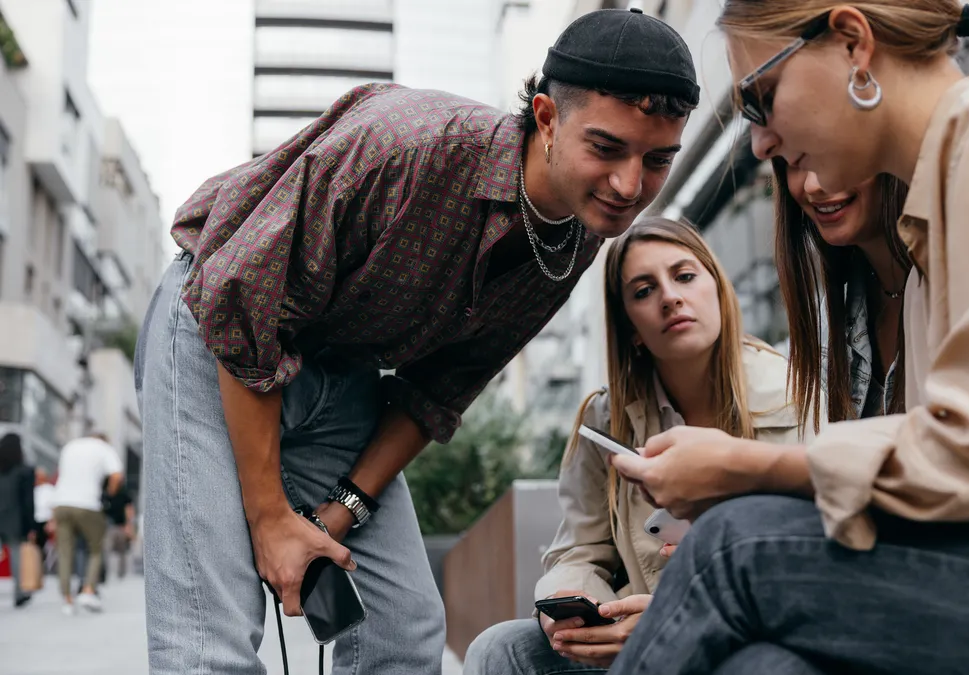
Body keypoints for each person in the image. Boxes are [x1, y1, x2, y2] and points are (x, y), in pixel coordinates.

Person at [606, 2, 969, 674]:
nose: (761, 143)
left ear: (855, 43)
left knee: (731, 547)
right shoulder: (944, 210)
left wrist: (747, 469)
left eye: (762, 99)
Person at [134, 8, 699, 673]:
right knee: (210, 640)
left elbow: (439, 390)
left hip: (340, 374)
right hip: (217, 333)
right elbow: (241, 302)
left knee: (403, 627)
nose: (630, 185)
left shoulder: (578, 234)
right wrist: (270, 519)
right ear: (547, 118)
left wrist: (338, 513)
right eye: (606, 148)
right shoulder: (408, 146)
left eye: (657, 159)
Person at [463, 217, 812, 674]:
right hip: (641, 629)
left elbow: (819, 551)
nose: (670, 297)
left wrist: (678, 613)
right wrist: (586, 608)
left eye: (684, 276)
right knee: (502, 648)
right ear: (631, 327)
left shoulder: (798, 395)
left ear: (719, 291)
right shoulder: (605, 420)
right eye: (643, 291)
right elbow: (578, 551)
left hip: (754, 624)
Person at [773, 163, 909, 425]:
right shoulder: (829, 320)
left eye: (824, 152)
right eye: (794, 163)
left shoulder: (961, 280)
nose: (812, 185)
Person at [51, 432, 123, 615]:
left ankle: (67, 599)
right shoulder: (104, 448)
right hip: (87, 504)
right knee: (96, 549)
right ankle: (88, 590)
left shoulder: (70, 446)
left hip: (61, 503)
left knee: (65, 552)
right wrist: (109, 494)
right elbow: (116, 476)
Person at [0, 433, 36, 608]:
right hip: (13, 517)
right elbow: (28, 501)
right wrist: (31, 525)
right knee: (16, 555)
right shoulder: (24, 470)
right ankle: (19, 592)